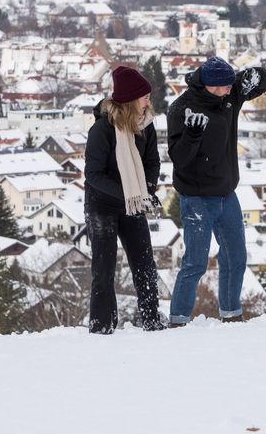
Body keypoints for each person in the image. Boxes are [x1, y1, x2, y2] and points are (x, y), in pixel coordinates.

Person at [167, 56, 266, 326]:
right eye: (224, 86)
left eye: (230, 85)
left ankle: (231, 313)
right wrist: (191, 136)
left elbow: (259, 83)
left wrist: (253, 73)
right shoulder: (181, 109)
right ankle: (178, 320)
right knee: (196, 263)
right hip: (197, 197)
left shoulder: (228, 97)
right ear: (209, 86)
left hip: (226, 192)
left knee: (236, 257)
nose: (230, 89)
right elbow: (179, 158)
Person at [85, 65, 164, 334]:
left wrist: (148, 189)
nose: (148, 102)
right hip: (102, 205)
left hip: (134, 203)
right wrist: (128, 193)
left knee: (144, 264)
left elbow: (152, 161)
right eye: (144, 98)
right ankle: (102, 326)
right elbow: (93, 174)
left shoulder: (145, 126)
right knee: (104, 269)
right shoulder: (102, 130)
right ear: (131, 100)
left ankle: (152, 320)